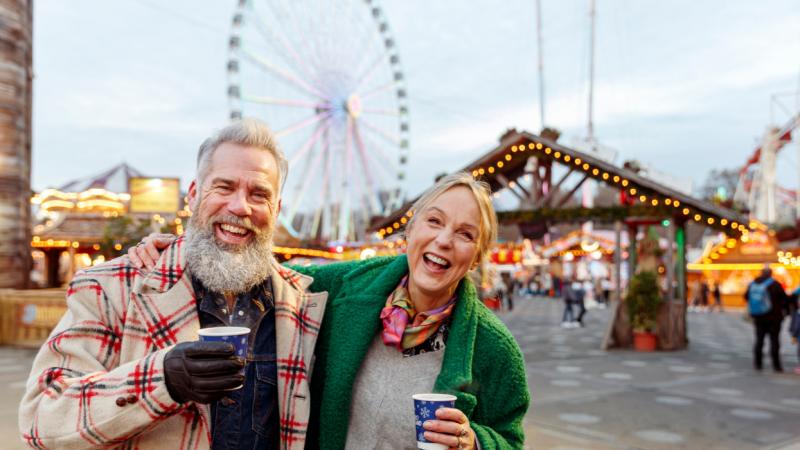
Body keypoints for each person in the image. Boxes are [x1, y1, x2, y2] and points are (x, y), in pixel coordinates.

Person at [131, 172, 530, 449]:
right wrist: (181, 250)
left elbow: (510, 439)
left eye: (465, 234)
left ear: (477, 255)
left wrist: (475, 441)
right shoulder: (349, 287)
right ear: (410, 230)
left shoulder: (494, 349)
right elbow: (268, 275)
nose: (444, 240)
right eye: (434, 221)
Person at [19, 119, 326, 449]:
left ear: (276, 209)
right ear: (193, 195)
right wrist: (163, 380)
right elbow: (43, 418)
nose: (240, 207)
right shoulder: (111, 288)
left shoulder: (301, 304)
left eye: (259, 194)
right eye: (224, 187)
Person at [744, 266, 791, 373]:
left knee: (759, 340)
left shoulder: (753, 284)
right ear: (771, 274)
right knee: (774, 341)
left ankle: (758, 363)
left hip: (758, 317)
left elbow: (746, 297)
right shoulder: (775, 284)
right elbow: (785, 300)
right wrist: (786, 312)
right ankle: (776, 365)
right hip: (774, 318)